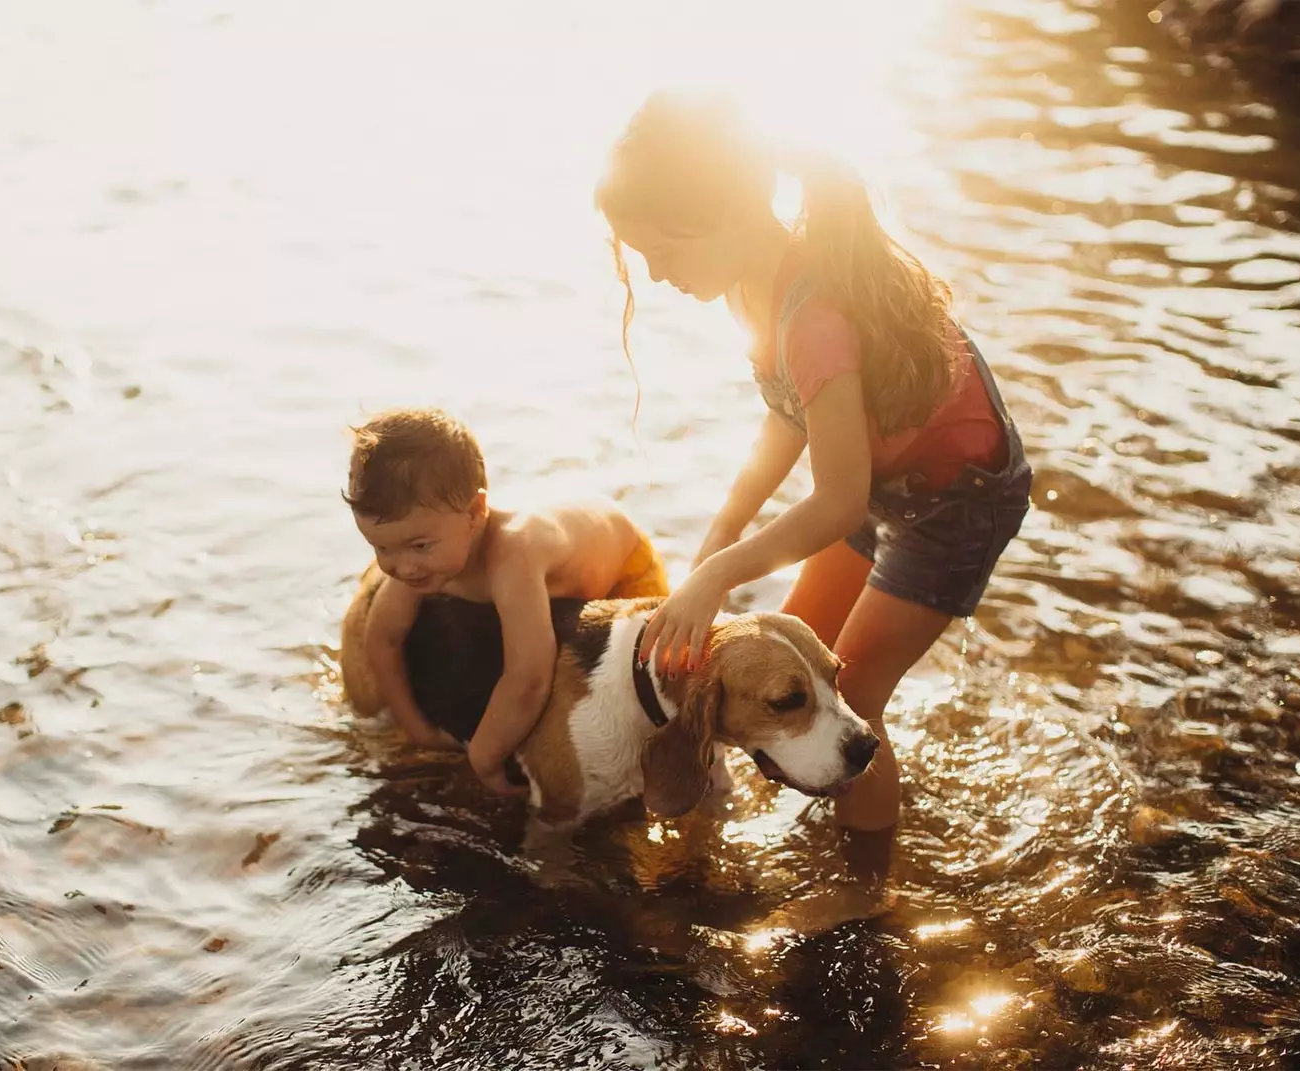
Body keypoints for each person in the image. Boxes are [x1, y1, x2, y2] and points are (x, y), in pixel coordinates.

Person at [595, 91, 1032, 831]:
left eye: (664, 253)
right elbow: (786, 413)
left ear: (727, 216)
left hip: (957, 501)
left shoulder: (817, 316)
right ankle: (808, 798)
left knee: (854, 688)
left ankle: (866, 890)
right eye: (643, 259)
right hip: (882, 484)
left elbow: (835, 500)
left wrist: (717, 575)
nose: (659, 275)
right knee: (789, 655)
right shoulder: (748, 284)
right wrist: (724, 530)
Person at [343, 407, 669, 795]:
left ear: (476, 513)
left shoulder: (514, 557)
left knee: (649, 685)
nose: (401, 567)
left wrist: (485, 756)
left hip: (621, 567)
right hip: (540, 555)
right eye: (381, 547)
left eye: (418, 545)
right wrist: (417, 728)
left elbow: (528, 677)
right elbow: (383, 640)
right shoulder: (417, 561)